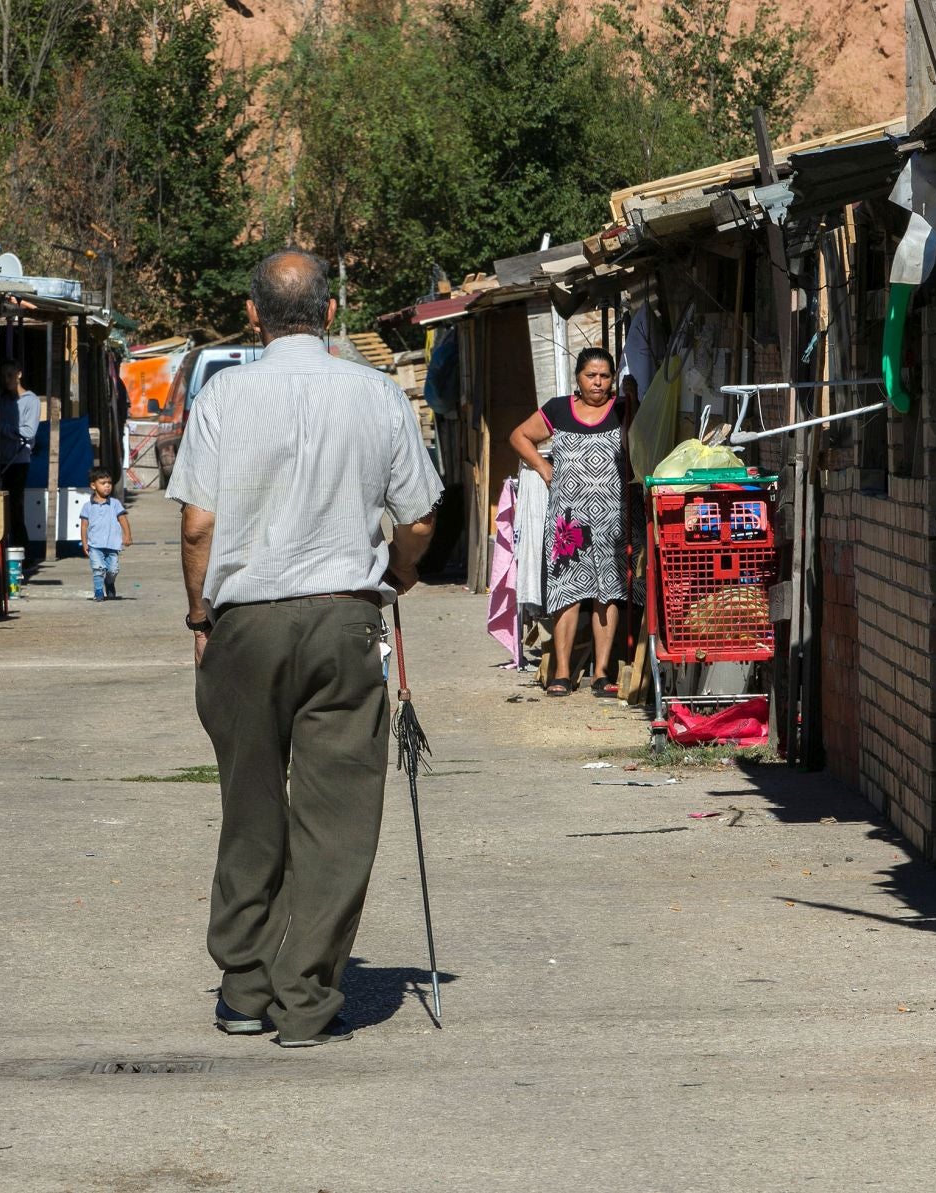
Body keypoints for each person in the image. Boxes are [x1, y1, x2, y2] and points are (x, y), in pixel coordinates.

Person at [167, 248, 441, 1048]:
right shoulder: (377, 394)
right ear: (330, 315)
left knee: (250, 805)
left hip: (243, 624)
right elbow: (420, 518)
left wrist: (199, 616)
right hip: (342, 621)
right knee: (337, 816)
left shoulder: (223, 396)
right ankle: (307, 999)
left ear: (253, 315)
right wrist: (400, 571)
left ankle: (244, 988)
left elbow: (197, 525)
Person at [507, 347, 633, 697]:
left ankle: (602, 673)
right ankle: (561, 673)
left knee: (607, 593)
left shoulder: (622, 410)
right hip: (568, 522)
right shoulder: (558, 409)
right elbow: (520, 436)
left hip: (612, 519)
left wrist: (633, 400)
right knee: (567, 593)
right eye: (591, 375)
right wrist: (544, 468)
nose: (598, 382)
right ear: (578, 378)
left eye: (605, 376)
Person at [0, 361, 40, 552]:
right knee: (2, 509)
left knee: (15, 507)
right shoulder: (3, 401)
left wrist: (3, 429)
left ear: (19, 374)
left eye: (10, 375)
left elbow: (29, 431)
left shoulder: (31, 401)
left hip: (18, 460)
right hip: (1, 460)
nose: (6, 380)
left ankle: (24, 551)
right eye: (4, 376)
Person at [79, 468, 132, 601]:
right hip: (95, 545)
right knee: (98, 568)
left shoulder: (115, 504)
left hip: (112, 544)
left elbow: (123, 520)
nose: (107, 486)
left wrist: (127, 536)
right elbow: (84, 526)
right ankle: (98, 592)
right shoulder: (87, 506)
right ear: (93, 486)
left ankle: (109, 583)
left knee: (113, 570)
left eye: (109, 483)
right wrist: (85, 543)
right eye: (103, 483)